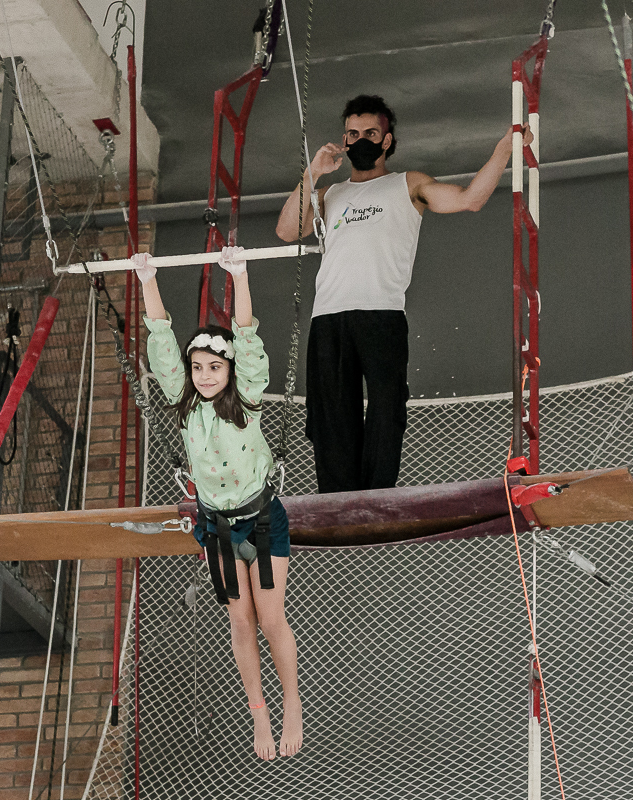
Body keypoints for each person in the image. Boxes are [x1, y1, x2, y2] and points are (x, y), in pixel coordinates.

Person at [275, 94, 532, 493]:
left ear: (387, 140)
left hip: (382, 315)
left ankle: (377, 494)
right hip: (328, 318)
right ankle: (338, 499)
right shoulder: (330, 194)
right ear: (344, 140)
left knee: (385, 407)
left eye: (370, 133)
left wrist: (504, 149)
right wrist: (312, 172)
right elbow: (288, 231)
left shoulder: (408, 184)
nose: (361, 139)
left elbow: (470, 199)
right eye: (353, 133)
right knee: (329, 414)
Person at [134, 246, 302, 761]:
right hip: (220, 531)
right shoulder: (186, 407)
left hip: (263, 523)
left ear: (229, 371)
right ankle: (259, 713)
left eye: (214, 367)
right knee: (240, 622)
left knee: (271, 619)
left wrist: (241, 276)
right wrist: (147, 279)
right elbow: (161, 342)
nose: (205, 375)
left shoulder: (247, 397)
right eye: (197, 368)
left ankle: (292, 701)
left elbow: (247, 338)